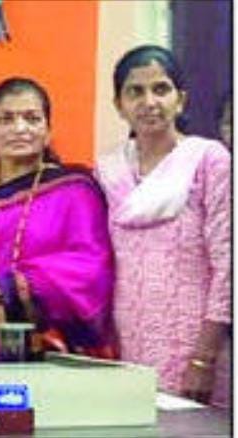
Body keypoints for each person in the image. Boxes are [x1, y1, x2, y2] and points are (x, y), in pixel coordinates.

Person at [0, 77, 116, 363]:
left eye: (32, 118)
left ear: (48, 132)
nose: (19, 128)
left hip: (47, 346)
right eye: (6, 119)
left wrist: (3, 287)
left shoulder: (74, 190)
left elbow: (90, 267)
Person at [95, 45, 231, 407]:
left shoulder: (209, 160)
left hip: (196, 347)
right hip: (129, 344)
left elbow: (227, 266)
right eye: (135, 92)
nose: (149, 102)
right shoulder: (108, 170)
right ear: (119, 104)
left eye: (161, 89)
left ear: (180, 100)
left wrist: (204, 358)